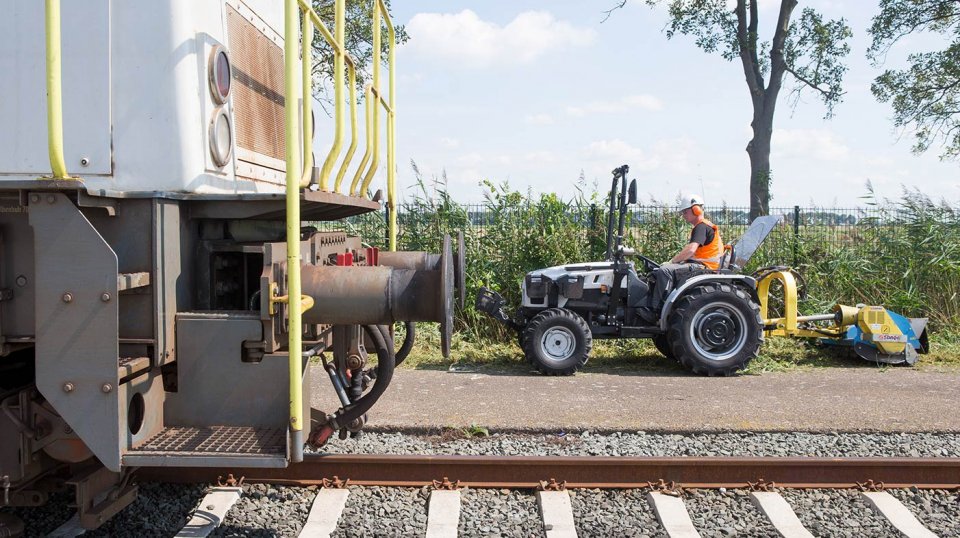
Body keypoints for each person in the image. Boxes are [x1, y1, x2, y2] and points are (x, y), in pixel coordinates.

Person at [639, 194, 723, 322]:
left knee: (665, 271)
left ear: (696, 209)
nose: (683, 215)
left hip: (705, 267)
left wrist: (672, 261)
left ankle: (655, 311)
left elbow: (690, 250)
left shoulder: (702, 227)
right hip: (701, 265)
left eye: (685, 211)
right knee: (657, 271)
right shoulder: (701, 227)